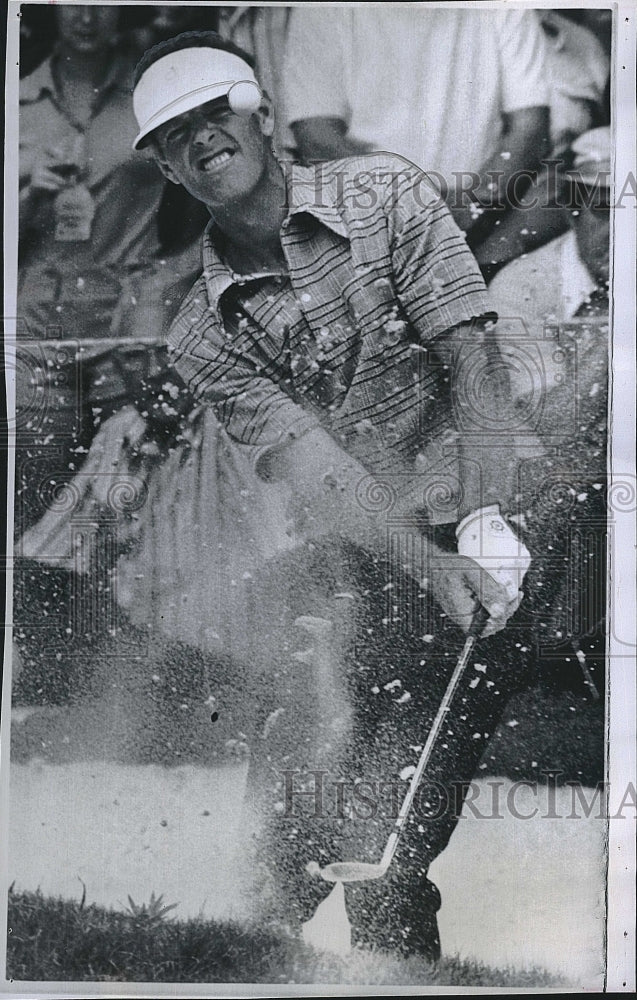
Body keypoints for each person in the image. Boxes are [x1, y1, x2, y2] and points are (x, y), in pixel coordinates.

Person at [121, 30, 539, 960]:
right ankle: (258, 961)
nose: (200, 140)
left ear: (256, 110)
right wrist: (429, 564)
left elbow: (470, 352)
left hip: (491, 504)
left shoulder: (382, 190)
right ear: (162, 165)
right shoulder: (201, 333)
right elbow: (318, 472)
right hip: (371, 542)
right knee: (286, 809)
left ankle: (390, 968)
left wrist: (477, 522)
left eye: (212, 114)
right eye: (173, 135)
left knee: (384, 829)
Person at [15, 4, 199, 533]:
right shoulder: (19, 100)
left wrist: (165, 277)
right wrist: (30, 196)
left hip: (130, 324)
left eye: (103, 0)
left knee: (130, 489)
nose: (89, 15)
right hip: (41, 328)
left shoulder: (153, 99)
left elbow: (196, 209)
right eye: (73, 1)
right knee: (36, 481)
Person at [488, 127, 610, 690]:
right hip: (544, 488)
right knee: (562, 479)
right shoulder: (520, 290)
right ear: (575, 209)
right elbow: (551, 429)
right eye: (605, 210)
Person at [281, 7, 551, 247]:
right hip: (365, 224)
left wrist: (469, 207)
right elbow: (316, 135)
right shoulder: (319, 9)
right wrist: (413, 207)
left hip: (478, 226)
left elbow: (530, 128)